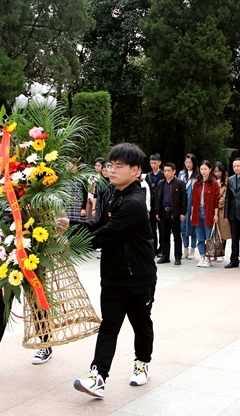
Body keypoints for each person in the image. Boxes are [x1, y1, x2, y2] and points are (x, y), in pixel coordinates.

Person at [56, 143, 156, 398]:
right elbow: (98, 222)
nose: (111, 171)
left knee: (140, 323)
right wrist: (71, 224)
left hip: (138, 277)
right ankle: (98, 377)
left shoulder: (134, 202)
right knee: (109, 325)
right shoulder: (112, 192)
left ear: (135, 171)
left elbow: (106, 235)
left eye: (118, 166)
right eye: (111, 165)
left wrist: (68, 243)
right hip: (112, 275)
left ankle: (142, 363)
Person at [155, 162, 187, 265]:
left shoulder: (180, 183)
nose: (167, 173)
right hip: (164, 212)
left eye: (169, 171)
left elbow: (184, 199)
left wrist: (183, 212)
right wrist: (157, 212)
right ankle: (165, 256)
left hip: (175, 213)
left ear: (174, 171)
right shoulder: (161, 183)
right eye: (165, 171)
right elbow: (157, 199)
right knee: (164, 236)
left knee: (177, 236)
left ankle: (178, 256)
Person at [190, 160, 220, 268]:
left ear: (210, 169)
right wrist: (192, 213)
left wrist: (216, 214)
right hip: (198, 211)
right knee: (200, 236)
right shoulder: (196, 183)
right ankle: (202, 256)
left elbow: (217, 200)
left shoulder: (214, 183)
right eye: (201, 169)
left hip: (209, 211)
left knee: (209, 236)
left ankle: (208, 257)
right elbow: (193, 200)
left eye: (205, 169)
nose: (203, 171)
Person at [178, 154, 199, 260]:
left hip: (194, 204)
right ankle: (185, 248)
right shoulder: (181, 174)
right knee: (183, 227)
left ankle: (193, 249)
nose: (188, 164)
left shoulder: (197, 175)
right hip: (183, 203)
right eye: (186, 162)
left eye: (190, 162)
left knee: (194, 226)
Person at [144, 154, 165, 256]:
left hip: (161, 205)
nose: (153, 165)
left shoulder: (163, 174)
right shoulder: (148, 176)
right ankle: (153, 248)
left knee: (161, 228)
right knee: (152, 228)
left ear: (159, 162)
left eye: (155, 163)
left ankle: (161, 249)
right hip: (151, 205)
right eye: (151, 163)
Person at [213, 162, 231, 263]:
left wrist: (217, 204)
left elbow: (225, 196)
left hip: (222, 210)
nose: (217, 173)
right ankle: (214, 252)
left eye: (218, 171)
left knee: (222, 233)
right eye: (215, 171)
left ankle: (221, 252)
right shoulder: (211, 181)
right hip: (212, 209)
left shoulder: (227, 182)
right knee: (213, 232)